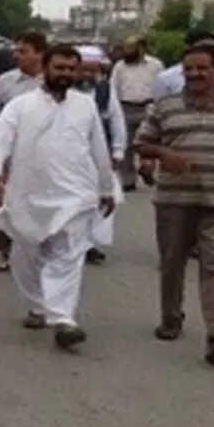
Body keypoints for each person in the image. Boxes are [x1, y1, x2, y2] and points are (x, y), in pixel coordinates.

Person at [0, 44, 116, 352]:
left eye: (71, 69)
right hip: (28, 193)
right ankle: (37, 306)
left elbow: (98, 148)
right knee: (26, 255)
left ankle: (64, 319)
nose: (65, 74)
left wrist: (106, 187)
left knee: (68, 256)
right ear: (46, 68)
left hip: (76, 195)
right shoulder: (21, 105)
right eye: (60, 68)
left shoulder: (86, 106)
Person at [134, 43, 214, 370]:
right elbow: (141, 142)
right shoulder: (165, 107)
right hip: (174, 201)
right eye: (189, 69)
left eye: (202, 68)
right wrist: (164, 155)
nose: (194, 74)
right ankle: (171, 317)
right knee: (172, 262)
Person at [0, 31, 47, 272]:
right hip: (9, 156)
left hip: (45, 157)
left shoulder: (52, 82)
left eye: (23, 51)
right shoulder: (4, 83)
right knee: (6, 203)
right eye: (16, 51)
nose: (16, 56)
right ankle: (5, 251)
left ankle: (38, 251)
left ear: (40, 53)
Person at [75, 47, 126, 265]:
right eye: (82, 70)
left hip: (100, 156)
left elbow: (117, 121)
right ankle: (76, 242)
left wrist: (117, 150)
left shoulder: (105, 91)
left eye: (91, 70)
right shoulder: (63, 92)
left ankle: (92, 244)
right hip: (71, 158)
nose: (86, 75)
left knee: (104, 199)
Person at [110, 35, 163, 190]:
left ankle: (147, 168)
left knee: (149, 142)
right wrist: (115, 109)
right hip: (125, 107)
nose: (127, 51)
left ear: (141, 48)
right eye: (126, 47)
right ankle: (128, 180)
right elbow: (114, 87)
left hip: (148, 106)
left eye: (131, 47)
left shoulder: (155, 65)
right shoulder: (120, 66)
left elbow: (161, 85)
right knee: (126, 145)